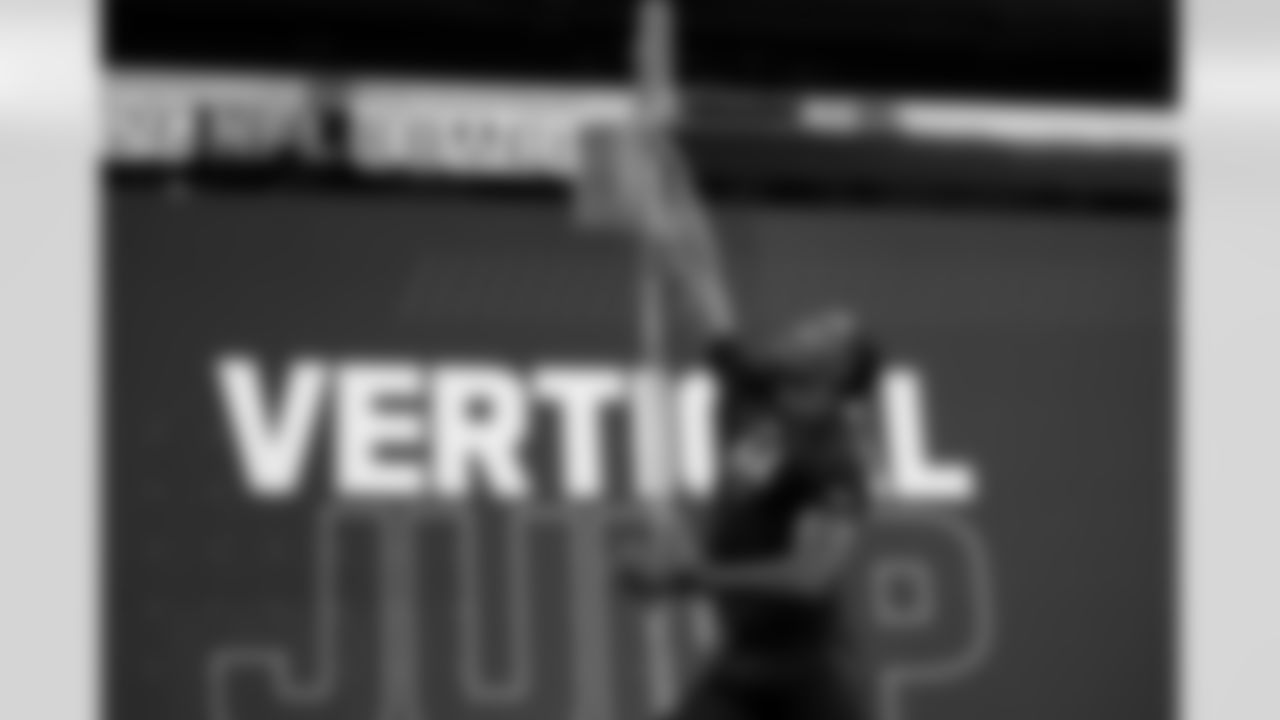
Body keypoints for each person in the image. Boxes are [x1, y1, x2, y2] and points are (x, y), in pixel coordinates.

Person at [600, 123, 884, 720]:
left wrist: (690, 576)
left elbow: (812, 577)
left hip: (813, 683)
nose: (801, 325)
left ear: (834, 378)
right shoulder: (753, 385)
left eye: (822, 331)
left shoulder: (834, 457)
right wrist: (673, 188)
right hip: (742, 665)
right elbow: (703, 274)